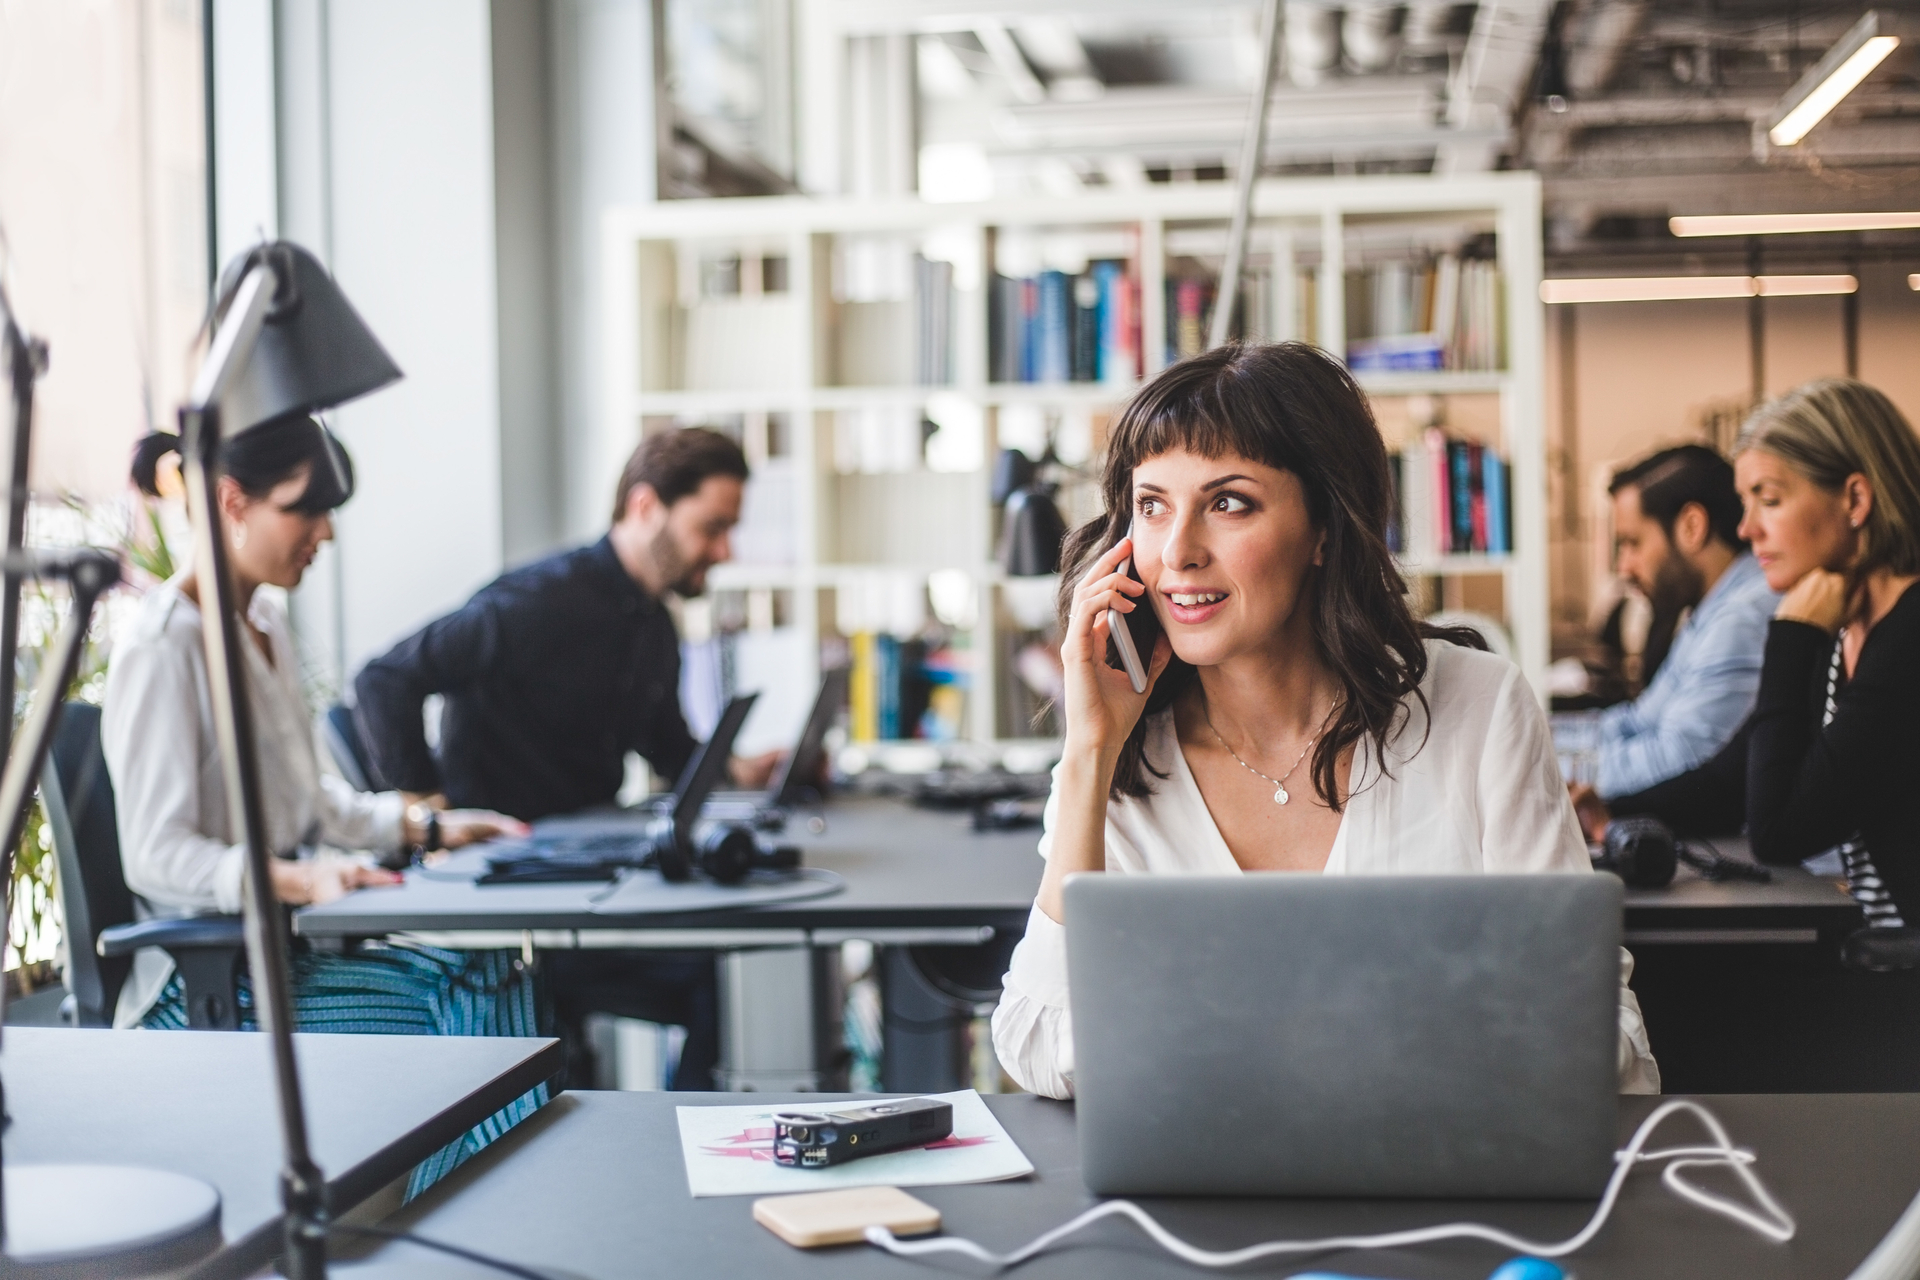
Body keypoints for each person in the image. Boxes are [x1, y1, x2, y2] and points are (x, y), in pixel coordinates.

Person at [989, 341, 1659, 1099]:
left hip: (1440, 1191)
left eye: (1228, 502)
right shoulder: (1115, 755)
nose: (1177, 551)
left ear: (1323, 529)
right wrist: (1087, 755)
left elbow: (1603, 1043)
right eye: (1152, 506)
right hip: (1199, 1207)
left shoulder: (1479, 710)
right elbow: (1038, 1047)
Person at [105, 411, 538, 1192]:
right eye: (307, 508)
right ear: (234, 501)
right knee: (475, 989)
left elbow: (312, 805)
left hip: (277, 963)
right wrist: (301, 880)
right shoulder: (161, 645)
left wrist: (426, 823)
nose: (327, 534)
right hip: (200, 992)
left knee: (499, 970)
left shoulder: (261, 623)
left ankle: (483, 1222)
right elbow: (155, 853)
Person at [352, 427, 777, 1089]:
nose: (722, 550)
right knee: (723, 978)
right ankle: (686, 1160)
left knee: (740, 970)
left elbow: (670, 750)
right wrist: (427, 815)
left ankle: (687, 1152)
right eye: (711, 527)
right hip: (513, 897)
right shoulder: (537, 603)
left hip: (588, 880)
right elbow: (384, 680)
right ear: (645, 508)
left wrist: (747, 772)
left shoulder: (652, 627)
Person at [1582, 380, 1920, 933]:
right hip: (1874, 953)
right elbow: (1727, 781)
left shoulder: (1906, 638)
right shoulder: (1844, 628)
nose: (1745, 529)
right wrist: (1609, 816)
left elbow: (1780, 829)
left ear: (1856, 500)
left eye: (1769, 499)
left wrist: (1790, 634)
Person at [1589, 446, 1778, 799]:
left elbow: (1676, 760)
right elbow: (1638, 722)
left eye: (1633, 543)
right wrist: (1530, 737)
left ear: (1692, 526)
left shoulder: (1744, 617)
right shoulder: (1709, 610)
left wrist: (1536, 770)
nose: (1624, 567)